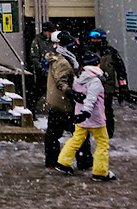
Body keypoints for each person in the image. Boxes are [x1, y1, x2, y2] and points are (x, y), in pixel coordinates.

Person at [55, 51, 117, 181]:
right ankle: (100, 172)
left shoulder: (79, 79)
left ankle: (63, 162)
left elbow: (79, 97)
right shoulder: (95, 82)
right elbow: (91, 99)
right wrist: (86, 113)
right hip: (95, 118)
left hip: (79, 116)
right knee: (102, 143)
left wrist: (81, 114)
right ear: (97, 65)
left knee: (76, 138)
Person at [44, 30, 92, 171]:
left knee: (53, 135)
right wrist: (72, 93)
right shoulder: (63, 62)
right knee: (80, 134)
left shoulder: (57, 58)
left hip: (57, 103)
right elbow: (61, 82)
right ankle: (83, 161)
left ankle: (52, 161)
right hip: (65, 104)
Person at [88, 29, 128, 138]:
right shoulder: (88, 51)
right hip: (91, 87)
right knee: (90, 109)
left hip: (107, 88)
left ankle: (108, 132)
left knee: (106, 110)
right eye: (93, 38)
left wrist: (123, 86)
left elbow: (121, 70)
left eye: (97, 38)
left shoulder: (111, 52)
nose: (95, 41)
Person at [27, 20, 57, 112]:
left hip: (53, 70)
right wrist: (40, 67)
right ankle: (31, 109)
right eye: (50, 32)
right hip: (42, 72)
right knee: (38, 92)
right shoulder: (37, 40)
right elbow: (34, 56)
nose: (51, 34)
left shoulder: (53, 41)